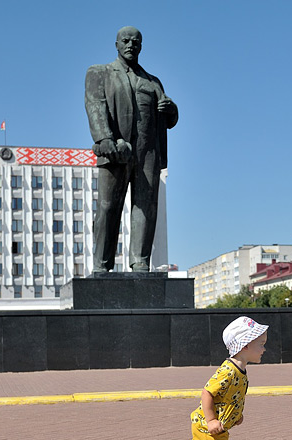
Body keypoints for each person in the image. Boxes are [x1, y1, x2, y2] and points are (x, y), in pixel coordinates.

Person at [84, 26, 179, 273]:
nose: (130, 45)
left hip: (148, 152)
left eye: (136, 41)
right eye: (125, 40)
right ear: (116, 44)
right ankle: (102, 264)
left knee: (145, 207)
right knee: (107, 208)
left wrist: (172, 110)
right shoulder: (100, 73)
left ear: (141, 45)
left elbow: (168, 118)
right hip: (116, 150)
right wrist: (104, 138)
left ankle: (140, 261)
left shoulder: (152, 81)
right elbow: (96, 106)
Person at [158, 316, 268, 440]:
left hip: (211, 425)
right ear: (244, 346)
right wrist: (211, 420)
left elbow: (229, 396)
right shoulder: (228, 371)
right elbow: (207, 392)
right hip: (208, 426)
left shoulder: (240, 369)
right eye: (260, 344)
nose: (264, 349)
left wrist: (237, 415)